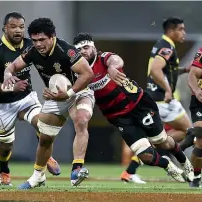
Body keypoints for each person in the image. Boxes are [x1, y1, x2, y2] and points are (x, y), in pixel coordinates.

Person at [73, 32, 194, 183]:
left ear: (93, 46)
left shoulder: (104, 58)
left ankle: (184, 162)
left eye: (86, 47)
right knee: (145, 155)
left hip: (138, 105)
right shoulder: (78, 71)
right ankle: (168, 165)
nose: (83, 51)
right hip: (118, 117)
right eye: (80, 49)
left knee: (162, 141)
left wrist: (112, 68)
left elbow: (117, 60)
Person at [3, 18, 95, 189]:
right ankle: (38, 177)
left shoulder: (67, 51)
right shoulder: (32, 52)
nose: (38, 44)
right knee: (45, 138)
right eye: (35, 40)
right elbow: (12, 67)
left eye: (42, 39)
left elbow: (87, 74)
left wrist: (68, 93)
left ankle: (76, 170)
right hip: (55, 97)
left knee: (81, 120)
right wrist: (8, 74)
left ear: (52, 36)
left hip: (78, 92)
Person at [0, 13, 60, 186]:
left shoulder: (31, 45)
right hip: (2, 105)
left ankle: (45, 157)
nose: (18, 30)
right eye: (13, 26)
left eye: (21, 27)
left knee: (43, 124)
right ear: (5, 28)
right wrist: (11, 87)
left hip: (26, 98)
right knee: (6, 146)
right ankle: (4, 169)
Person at [146, 17, 193, 143]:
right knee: (189, 131)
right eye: (181, 29)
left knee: (187, 132)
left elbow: (167, 70)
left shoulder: (161, 44)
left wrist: (184, 70)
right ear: (171, 31)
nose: (184, 33)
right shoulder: (167, 48)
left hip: (156, 97)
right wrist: (167, 90)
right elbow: (155, 70)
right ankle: (148, 147)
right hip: (163, 99)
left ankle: (147, 148)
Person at [184, 47, 202, 187]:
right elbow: (193, 73)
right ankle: (196, 175)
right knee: (201, 138)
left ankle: (191, 137)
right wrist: (196, 90)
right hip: (199, 102)